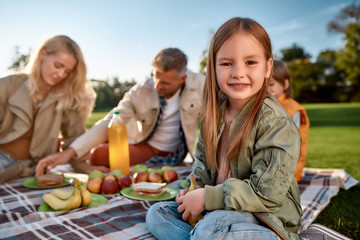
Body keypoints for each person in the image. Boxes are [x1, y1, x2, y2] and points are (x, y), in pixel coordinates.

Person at [146, 17, 302, 240]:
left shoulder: (275, 121)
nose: (238, 72)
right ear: (214, 67)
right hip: (218, 210)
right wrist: (194, 189)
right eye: (227, 63)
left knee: (209, 229)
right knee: (157, 214)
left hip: (264, 216)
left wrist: (207, 198)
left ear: (268, 67)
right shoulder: (213, 111)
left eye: (250, 62)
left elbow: (267, 195)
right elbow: (202, 162)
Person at [35, 47, 205, 175]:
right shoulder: (141, 91)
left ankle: (68, 145)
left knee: (98, 155)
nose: (157, 86)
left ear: (182, 78)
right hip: (144, 143)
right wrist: (70, 152)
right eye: (155, 77)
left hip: (169, 151)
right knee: (90, 151)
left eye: (165, 83)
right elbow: (110, 121)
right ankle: (66, 146)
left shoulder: (201, 85)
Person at [0, 35, 96, 183]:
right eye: (58, 66)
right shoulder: (7, 86)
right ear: (43, 54)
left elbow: (74, 137)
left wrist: (86, 168)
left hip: (35, 169)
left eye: (67, 71)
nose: (61, 75)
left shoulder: (65, 97)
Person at [268, 60, 310, 182]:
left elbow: (289, 143)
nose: (266, 89)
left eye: (271, 85)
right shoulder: (265, 105)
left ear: (285, 84)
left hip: (288, 170)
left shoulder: (293, 109)